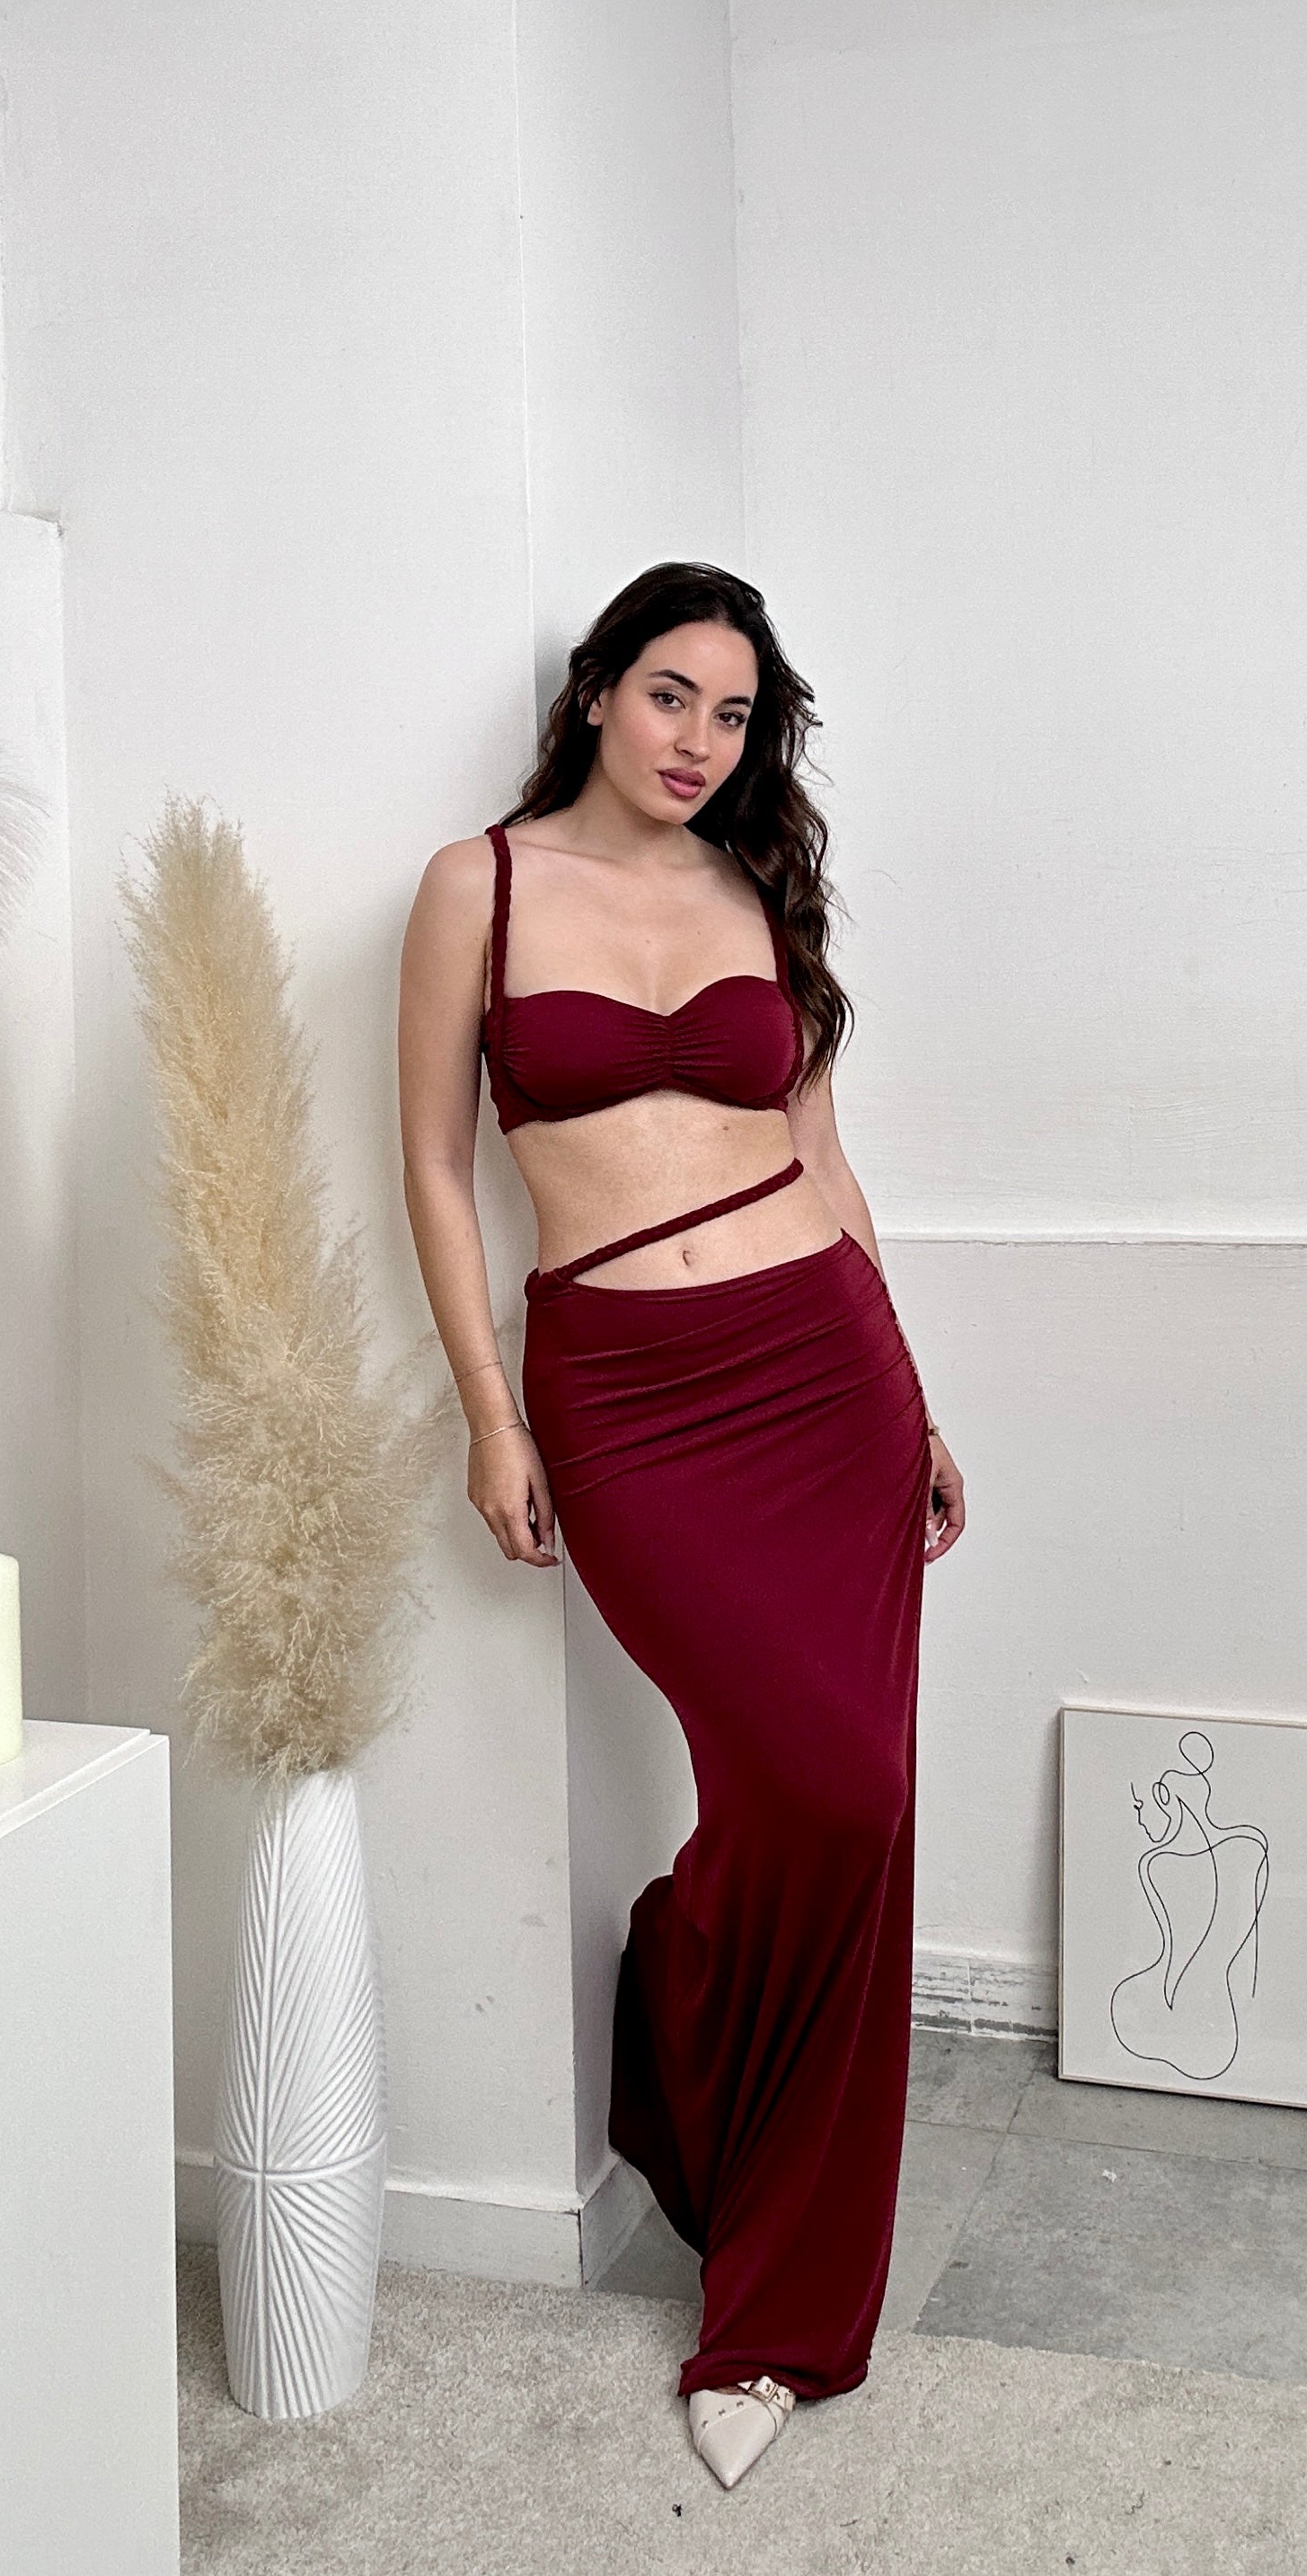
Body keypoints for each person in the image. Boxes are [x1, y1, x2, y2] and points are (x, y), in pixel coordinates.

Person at [396, 561, 966, 2490]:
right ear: (593, 693)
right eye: (668, 695)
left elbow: (823, 1155)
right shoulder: (476, 887)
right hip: (628, 1400)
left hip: (826, 1371)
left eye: (732, 715)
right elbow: (432, 1166)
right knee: (800, 1787)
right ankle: (681, 1984)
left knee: (851, 1803)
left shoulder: (756, 890)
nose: (697, 741)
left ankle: (781, 2313)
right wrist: (490, 1415)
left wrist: (917, 1400)